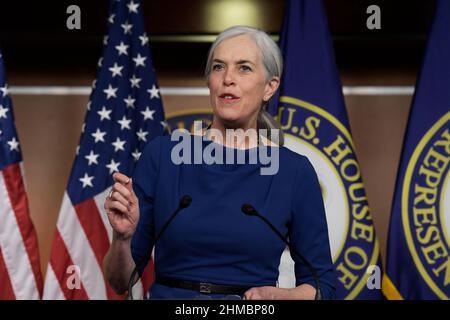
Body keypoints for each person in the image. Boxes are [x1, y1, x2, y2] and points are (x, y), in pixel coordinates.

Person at [103, 25, 335, 299]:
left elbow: (323, 288)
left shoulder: (293, 171)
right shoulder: (163, 157)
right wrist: (122, 238)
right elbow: (120, 282)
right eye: (218, 67)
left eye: (244, 68)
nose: (228, 79)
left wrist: (276, 296)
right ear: (209, 81)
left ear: (270, 87)